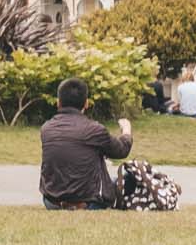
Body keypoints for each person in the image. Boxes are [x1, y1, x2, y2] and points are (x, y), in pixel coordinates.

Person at [39, 77, 132, 209]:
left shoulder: (46, 128)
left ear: (58, 103)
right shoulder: (95, 130)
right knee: (129, 178)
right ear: (86, 103)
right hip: (89, 202)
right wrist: (126, 130)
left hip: (52, 201)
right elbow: (122, 151)